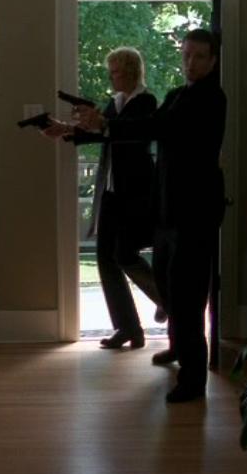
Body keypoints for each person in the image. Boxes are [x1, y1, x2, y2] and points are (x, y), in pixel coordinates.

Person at [75, 29, 226, 403]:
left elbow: (157, 127)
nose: (190, 63)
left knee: (188, 296)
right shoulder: (176, 95)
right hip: (167, 211)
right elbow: (150, 126)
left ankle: (193, 380)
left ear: (213, 60)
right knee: (168, 285)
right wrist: (98, 126)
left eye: (199, 57)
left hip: (195, 214)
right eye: (186, 55)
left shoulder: (211, 98)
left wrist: (106, 124)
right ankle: (176, 347)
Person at [43, 47, 164, 350]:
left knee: (125, 254)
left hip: (135, 192)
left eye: (116, 72)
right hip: (111, 192)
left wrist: (101, 123)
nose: (111, 77)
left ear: (131, 72)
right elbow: (101, 133)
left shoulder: (145, 102)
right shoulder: (116, 102)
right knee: (105, 259)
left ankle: (166, 299)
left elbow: (125, 133)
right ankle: (128, 328)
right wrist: (65, 129)